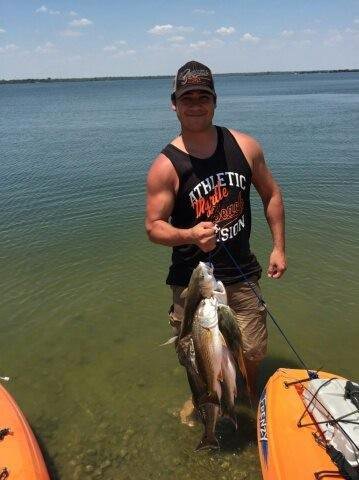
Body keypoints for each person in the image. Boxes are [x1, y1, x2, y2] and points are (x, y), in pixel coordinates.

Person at [145, 60, 286, 408]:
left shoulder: (245, 147)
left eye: (202, 96)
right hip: (192, 282)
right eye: (187, 97)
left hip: (241, 273)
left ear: (215, 101)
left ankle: (248, 395)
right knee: (194, 354)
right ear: (174, 103)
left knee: (252, 348)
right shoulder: (166, 165)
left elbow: (271, 194)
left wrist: (279, 247)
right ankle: (205, 403)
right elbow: (153, 227)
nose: (195, 104)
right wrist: (191, 234)